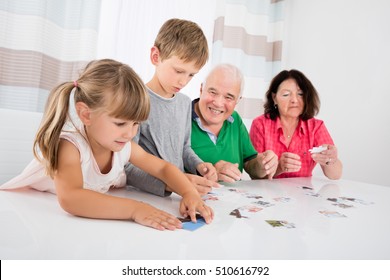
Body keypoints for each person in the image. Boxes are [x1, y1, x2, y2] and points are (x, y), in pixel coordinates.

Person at [0, 59, 213, 230]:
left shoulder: (123, 145)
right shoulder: (70, 146)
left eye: (136, 123)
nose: (130, 132)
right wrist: (135, 210)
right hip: (21, 213)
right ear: (86, 114)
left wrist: (189, 193)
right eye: (120, 123)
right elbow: (71, 198)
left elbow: (163, 167)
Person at [125, 18, 219, 196]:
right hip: (144, 194)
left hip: (178, 194)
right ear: (156, 57)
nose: (183, 81)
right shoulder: (137, 100)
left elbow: (184, 148)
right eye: (178, 71)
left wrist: (199, 165)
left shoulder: (184, 103)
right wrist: (173, 184)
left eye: (191, 75)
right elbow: (127, 164)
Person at [191, 64, 278, 182]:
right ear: (201, 90)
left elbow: (249, 164)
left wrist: (263, 164)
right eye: (213, 92)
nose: (218, 103)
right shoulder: (181, 118)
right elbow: (167, 173)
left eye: (229, 97)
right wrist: (211, 173)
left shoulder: (235, 119)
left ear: (238, 100)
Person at [249, 69, 342, 179]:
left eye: (300, 94)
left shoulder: (316, 127)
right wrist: (279, 167)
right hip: (268, 192)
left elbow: (335, 175)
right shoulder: (260, 124)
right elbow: (254, 175)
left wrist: (331, 159)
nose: (294, 100)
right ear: (274, 98)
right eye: (286, 94)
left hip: (303, 194)